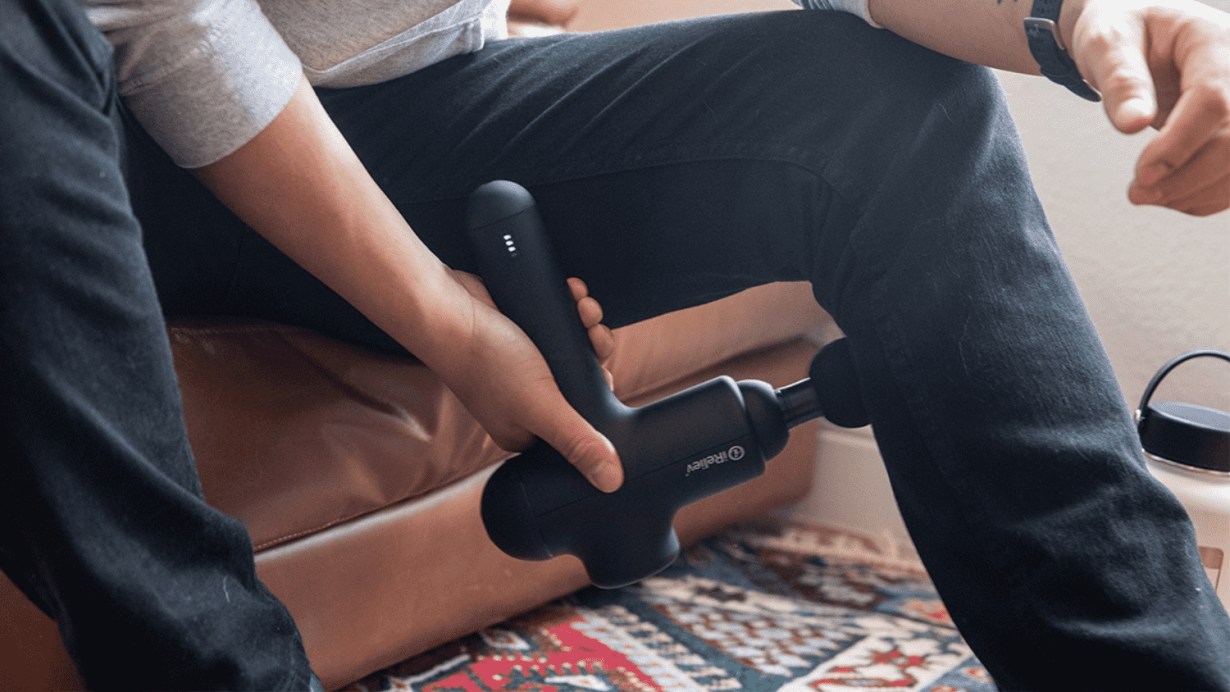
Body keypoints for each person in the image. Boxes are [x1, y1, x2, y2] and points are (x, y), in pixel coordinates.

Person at [1, 0, 1227, 687]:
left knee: (885, 113)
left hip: (404, 105)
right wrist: (444, 316)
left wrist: (1082, 15)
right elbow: (168, 17)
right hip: (101, 111)